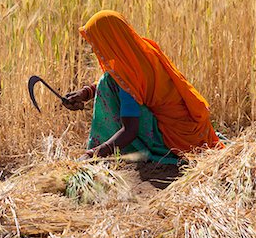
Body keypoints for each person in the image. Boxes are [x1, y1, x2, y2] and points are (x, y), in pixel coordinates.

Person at [64, 10, 223, 162]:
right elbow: (117, 80)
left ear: (110, 41)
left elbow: (129, 131)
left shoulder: (128, 76)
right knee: (109, 80)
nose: (93, 49)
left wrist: (93, 154)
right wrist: (85, 93)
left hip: (177, 139)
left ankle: (135, 148)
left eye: (96, 42)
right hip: (195, 130)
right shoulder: (143, 50)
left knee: (107, 81)